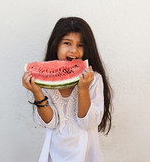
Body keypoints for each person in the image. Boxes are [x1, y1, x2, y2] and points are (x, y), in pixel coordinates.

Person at [22, 17, 113, 162]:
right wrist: (37, 92)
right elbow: (50, 122)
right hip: (54, 154)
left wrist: (83, 89)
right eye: (67, 43)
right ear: (55, 46)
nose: (73, 50)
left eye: (80, 45)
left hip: (85, 155)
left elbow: (87, 122)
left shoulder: (94, 79)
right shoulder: (45, 82)